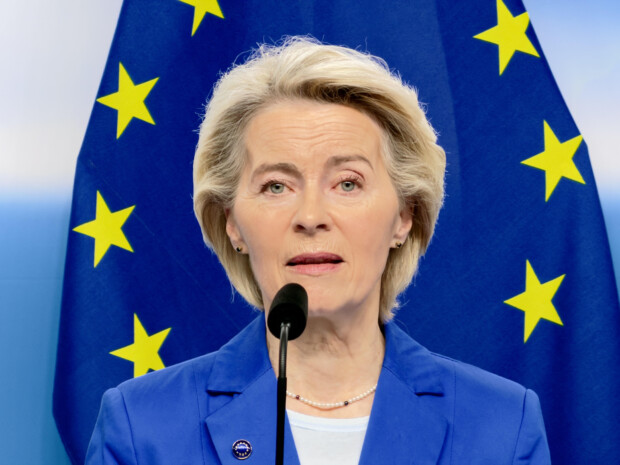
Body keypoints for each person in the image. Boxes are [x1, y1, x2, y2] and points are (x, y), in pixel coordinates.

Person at [86, 37, 551, 464]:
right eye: (276, 186)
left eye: (347, 183)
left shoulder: (502, 428)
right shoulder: (142, 427)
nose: (310, 216)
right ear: (232, 223)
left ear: (404, 215)